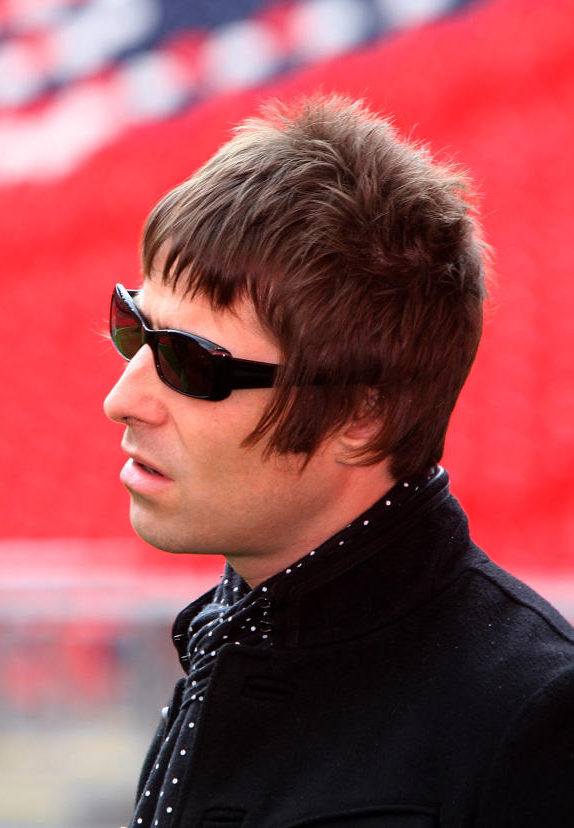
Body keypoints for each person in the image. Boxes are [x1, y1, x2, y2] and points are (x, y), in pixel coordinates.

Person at [104, 96, 574, 826]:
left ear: (363, 416)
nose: (122, 399)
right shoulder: (232, 633)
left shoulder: (533, 712)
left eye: (190, 361)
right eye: (132, 325)